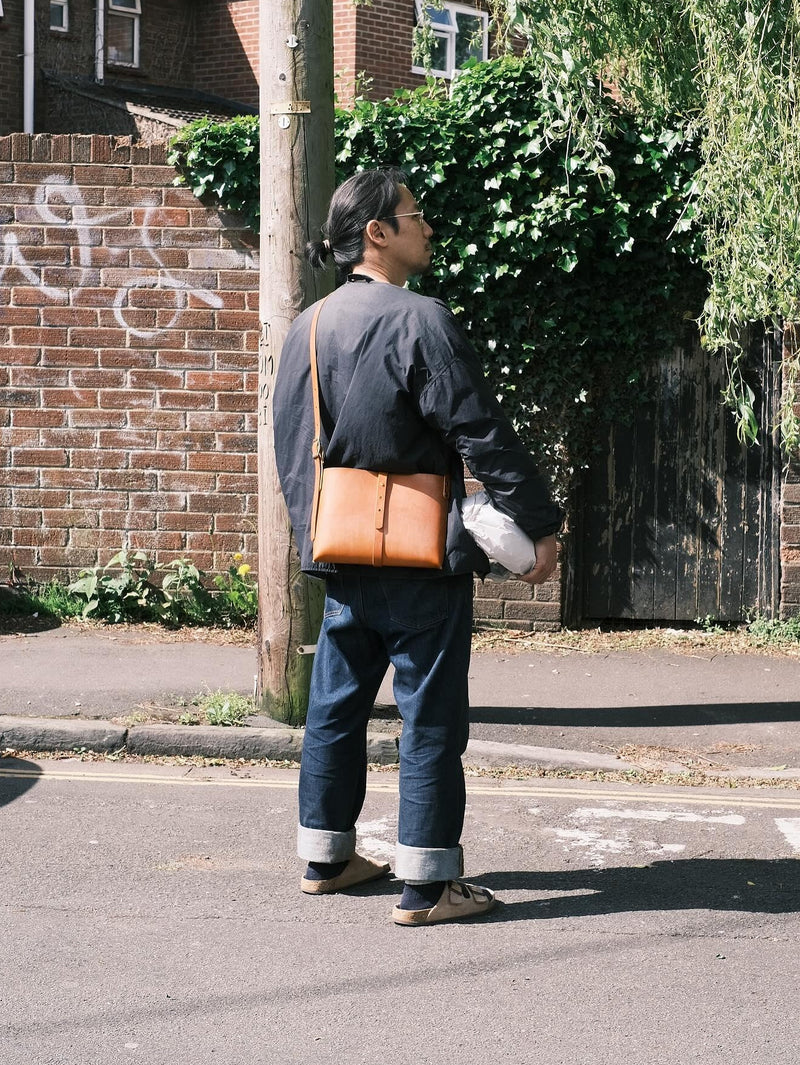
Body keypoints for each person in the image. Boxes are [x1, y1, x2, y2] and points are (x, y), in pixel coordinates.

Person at [273, 168, 562, 926]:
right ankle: (429, 885)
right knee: (429, 716)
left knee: (334, 708)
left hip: (341, 553)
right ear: (377, 232)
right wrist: (540, 526)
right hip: (420, 556)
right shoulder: (420, 320)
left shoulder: (305, 328)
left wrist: (322, 539)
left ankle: (326, 857)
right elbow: (481, 433)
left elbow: (293, 447)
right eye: (415, 216)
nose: (427, 227)